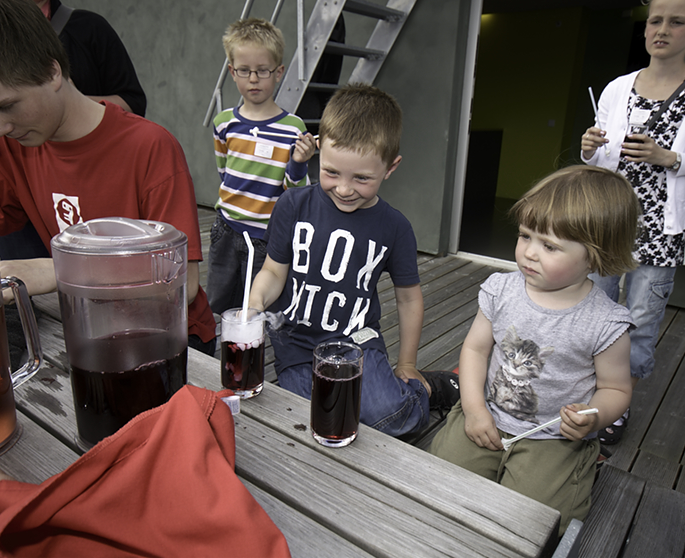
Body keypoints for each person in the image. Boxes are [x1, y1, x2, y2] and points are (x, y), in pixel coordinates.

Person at [0, 0, 217, 355]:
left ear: (52, 71)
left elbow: (183, 282)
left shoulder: (150, 146)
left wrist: (58, 270)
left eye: (6, 106)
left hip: (168, 334)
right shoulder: (5, 147)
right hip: (88, 326)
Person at [429, 166, 639, 536]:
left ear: (594, 256)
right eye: (525, 235)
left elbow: (616, 389)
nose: (529, 252)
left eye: (550, 246)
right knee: (438, 482)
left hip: (553, 439)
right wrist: (475, 410)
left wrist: (594, 418)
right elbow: (476, 350)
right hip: (488, 414)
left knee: (534, 520)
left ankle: (583, 465)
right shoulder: (501, 290)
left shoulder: (605, 323)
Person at [247, 84, 460, 437]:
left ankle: (429, 390)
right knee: (311, 420)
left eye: (361, 178)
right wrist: (256, 303)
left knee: (391, 419)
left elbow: (409, 299)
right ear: (319, 150)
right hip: (296, 345)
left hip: (355, 341)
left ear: (390, 167)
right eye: (331, 172)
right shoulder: (292, 206)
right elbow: (272, 270)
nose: (344, 189)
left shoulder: (395, 227)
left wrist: (407, 363)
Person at [581, 0, 685, 444]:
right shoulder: (617, 87)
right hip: (609, 223)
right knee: (593, 312)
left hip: (660, 231)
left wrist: (669, 157)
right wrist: (589, 148)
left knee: (640, 323)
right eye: (655, 20)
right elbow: (601, 158)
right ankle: (587, 391)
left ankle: (617, 403)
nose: (662, 29)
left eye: (677, 22)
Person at [0, 0, 147, 182]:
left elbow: (133, 102)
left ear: (53, 72)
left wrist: (72, 103)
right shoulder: (1, 147)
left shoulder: (89, 27)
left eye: (7, 105)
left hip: (92, 166)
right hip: (7, 173)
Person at [209, 18, 316, 315]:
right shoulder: (223, 123)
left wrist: (299, 164)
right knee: (217, 304)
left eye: (262, 70)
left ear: (278, 72)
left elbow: (295, 192)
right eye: (244, 70)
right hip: (226, 230)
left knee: (257, 309)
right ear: (232, 72)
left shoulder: (293, 128)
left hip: (266, 237)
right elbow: (225, 172)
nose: (253, 79)